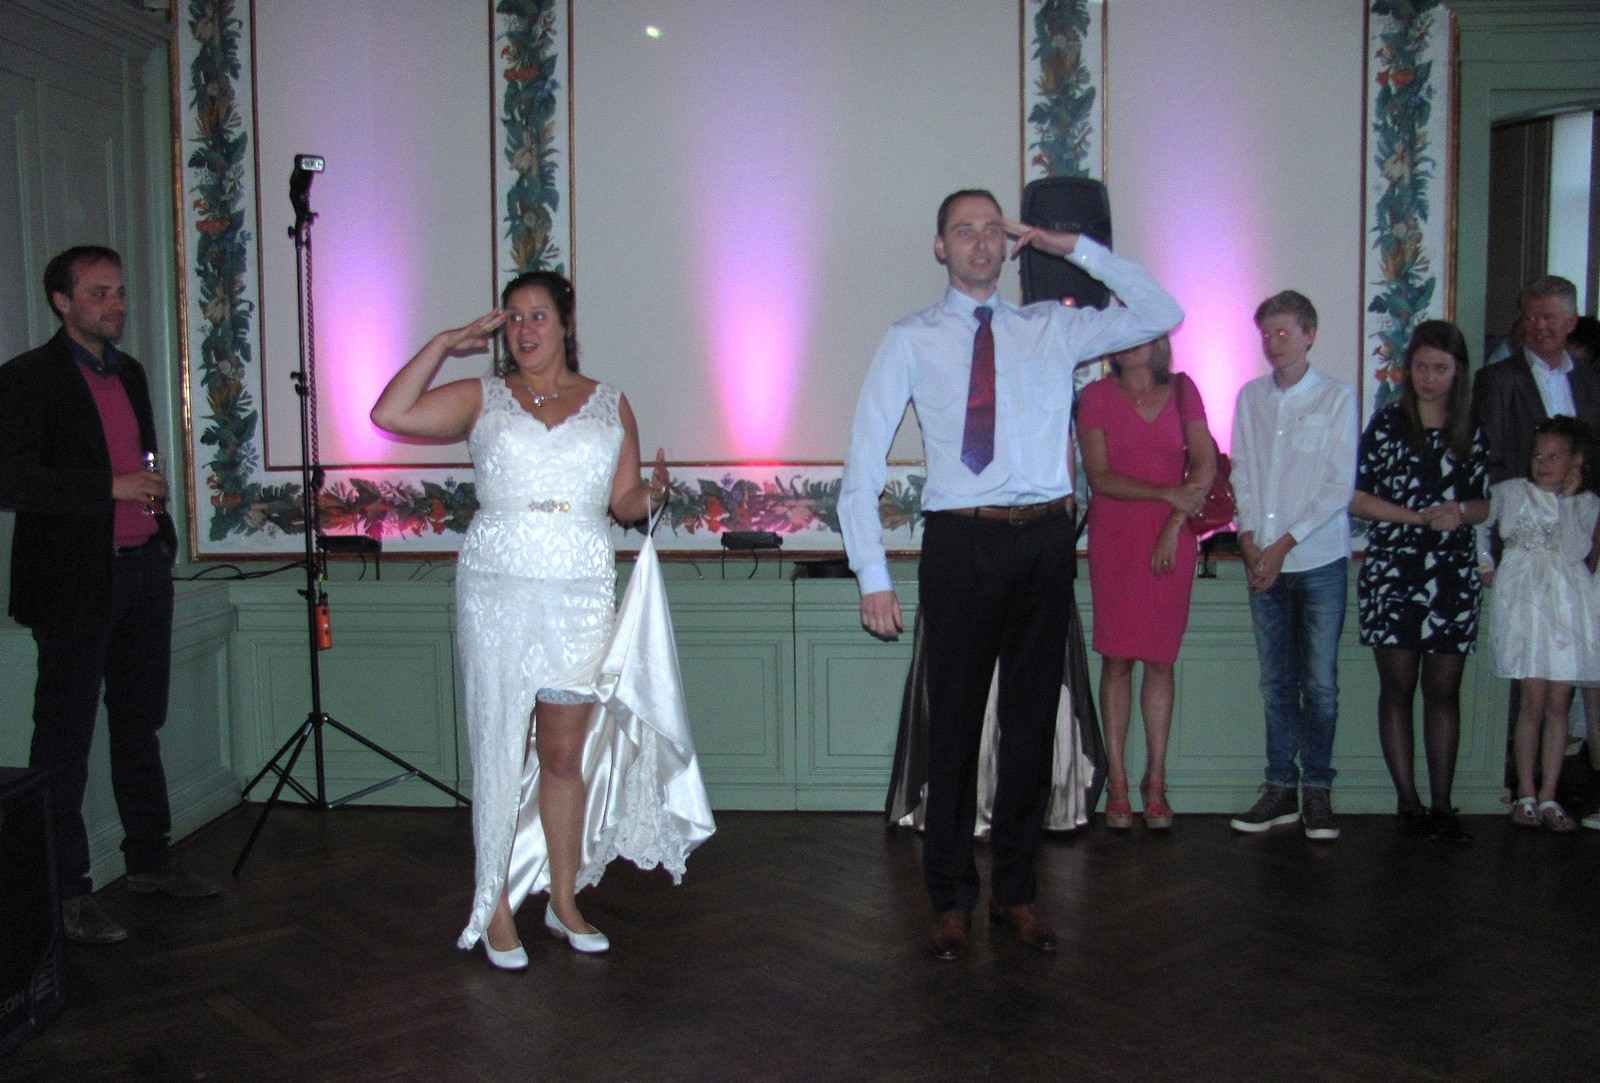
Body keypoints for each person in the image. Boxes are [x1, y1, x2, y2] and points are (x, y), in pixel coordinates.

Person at [841, 188, 1182, 960]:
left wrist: (1072, 247)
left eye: (993, 229)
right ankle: (950, 898)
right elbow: (862, 460)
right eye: (964, 231)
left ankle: (1017, 894)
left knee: (1030, 728)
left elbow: (1163, 311)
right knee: (955, 730)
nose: (981, 242)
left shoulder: (1052, 326)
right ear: (941, 247)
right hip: (962, 544)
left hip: (1044, 541)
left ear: (1010, 243)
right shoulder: (911, 338)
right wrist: (871, 572)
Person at [370, 270, 714, 968]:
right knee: (498, 746)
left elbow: (622, 501)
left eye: (538, 315)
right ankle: (493, 904)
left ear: (565, 323)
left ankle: (563, 899)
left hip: (581, 586)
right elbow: (391, 413)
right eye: (514, 317)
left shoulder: (610, 403)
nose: (525, 329)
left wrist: (651, 495)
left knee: (562, 756)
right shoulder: (483, 396)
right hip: (496, 586)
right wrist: (447, 342)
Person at [0, 245, 219, 946]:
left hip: (141, 570)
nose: (115, 304)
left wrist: (155, 524)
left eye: (119, 292)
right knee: (63, 739)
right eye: (98, 293)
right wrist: (110, 488)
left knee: (138, 723)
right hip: (74, 583)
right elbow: (11, 480)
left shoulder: (130, 372)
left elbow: (140, 459)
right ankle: (67, 892)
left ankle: (150, 861)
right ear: (61, 302)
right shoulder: (27, 378)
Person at [1349, 321, 1489, 843]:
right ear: (1408, 369)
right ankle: (1407, 803)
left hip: (1451, 571)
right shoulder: (1388, 423)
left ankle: (1443, 804)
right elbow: (1357, 498)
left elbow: (1486, 502)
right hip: (1393, 569)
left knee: (1444, 691)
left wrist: (1461, 512)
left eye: (1440, 369)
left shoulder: (1470, 426)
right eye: (1421, 367)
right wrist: (1416, 518)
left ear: (1458, 373)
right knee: (1397, 688)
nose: (1429, 378)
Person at [1227, 290, 1357, 841]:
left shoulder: (1336, 397)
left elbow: (1337, 486)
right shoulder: (1251, 397)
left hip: (1317, 558)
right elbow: (1241, 470)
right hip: (1264, 558)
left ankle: (1317, 791)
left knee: (1319, 683)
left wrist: (1282, 544)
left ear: (1309, 335)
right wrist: (1248, 537)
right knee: (1275, 681)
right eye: (1267, 334)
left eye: (1284, 333)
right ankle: (1279, 786)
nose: (1273, 343)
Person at [1076, 334, 1214, 830]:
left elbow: (1205, 465)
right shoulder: (1095, 396)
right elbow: (1100, 476)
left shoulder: (1183, 389)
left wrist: (1174, 523)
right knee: (1116, 660)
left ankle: (1155, 784)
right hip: (1116, 538)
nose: (1134, 343)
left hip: (1170, 538)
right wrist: (1167, 494)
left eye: (1144, 333)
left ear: (1159, 341)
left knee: (1160, 661)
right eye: (1126, 333)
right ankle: (1116, 785)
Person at [1471, 275, 1600, 802]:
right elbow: (1489, 457)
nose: (1539, 326)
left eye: (1550, 317)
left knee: (1571, 669)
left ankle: (1566, 785)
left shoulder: (1590, 378)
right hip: (1523, 542)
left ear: (1571, 322)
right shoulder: (1498, 379)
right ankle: (1516, 784)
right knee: (1524, 676)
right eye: (1531, 316)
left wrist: (1581, 504)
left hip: (1580, 538)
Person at [1476, 416, 1600, 833]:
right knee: (1531, 700)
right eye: (1537, 456)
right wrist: (1485, 563)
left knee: (1558, 703)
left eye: (1554, 457)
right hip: (1525, 605)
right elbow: (1480, 522)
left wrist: (1567, 500)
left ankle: (1550, 793)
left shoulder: (1586, 503)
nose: (1543, 464)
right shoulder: (1511, 492)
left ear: (1575, 462)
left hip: (1566, 607)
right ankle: (1525, 792)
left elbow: (1575, 549)